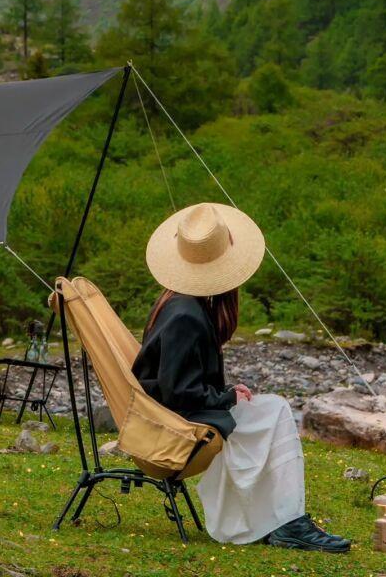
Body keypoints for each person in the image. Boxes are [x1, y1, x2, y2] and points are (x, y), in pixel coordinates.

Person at [132, 201, 351, 552]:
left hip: (172, 413)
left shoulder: (179, 302)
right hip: (175, 423)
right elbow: (178, 392)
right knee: (276, 411)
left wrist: (227, 391)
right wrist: (226, 398)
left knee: (273, 410)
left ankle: (282, 519)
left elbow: (179, 380)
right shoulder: (186, 315)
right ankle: (287, 522)